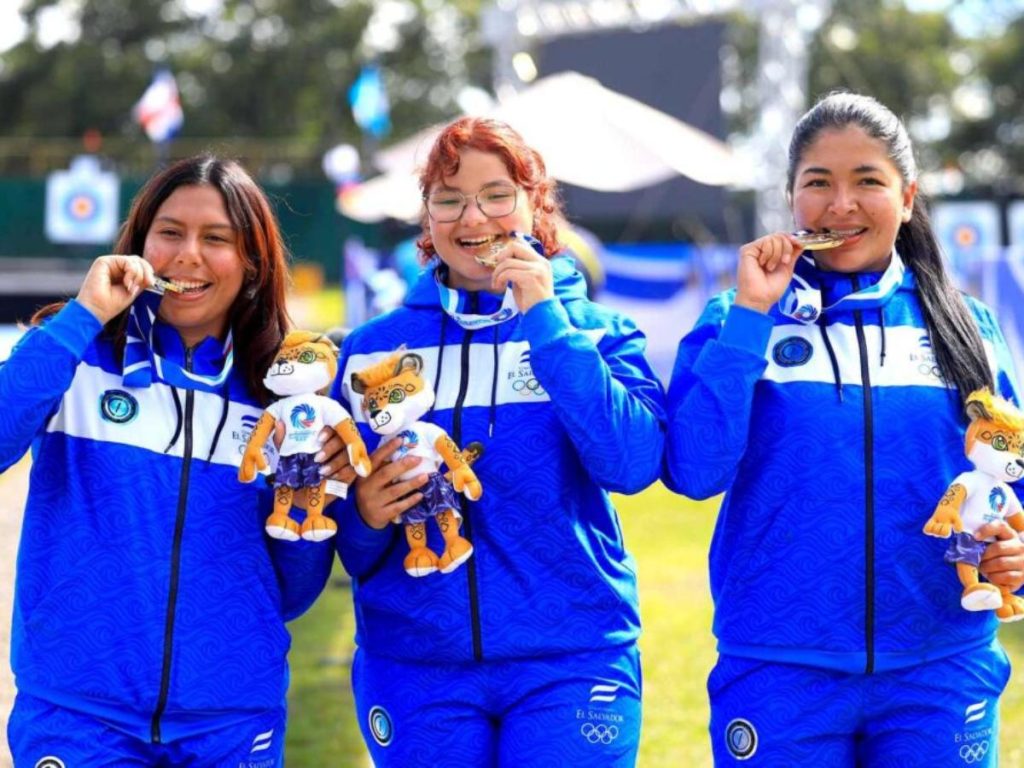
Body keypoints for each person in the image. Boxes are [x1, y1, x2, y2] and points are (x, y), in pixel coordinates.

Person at [662, 91, 1024, 766]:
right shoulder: (733, 318)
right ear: (791, 198)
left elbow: (1011, 476)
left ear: (908, 197)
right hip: (777, 666)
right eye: (818, 183)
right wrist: (749, 317)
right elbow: (693, 470)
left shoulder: (968, 326)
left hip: (940, 666)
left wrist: (1015, 557)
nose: (842, 205)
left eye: (868, 182)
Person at [319, 116, 665, 766]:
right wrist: (364, 513)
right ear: (426, 219)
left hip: (571, 657)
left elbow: (634, 463)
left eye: (497, 194)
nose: (473, 217)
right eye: (448, 200)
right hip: (416, 663)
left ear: (536, 202)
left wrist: (548, 322)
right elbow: (356, 550)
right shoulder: (374, 348)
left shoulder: (596, 331)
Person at [0, 155, 335, 767]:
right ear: (139, 242)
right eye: (170, 232)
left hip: (231, 721)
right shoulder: (72, 355)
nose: (188, 255)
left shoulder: (285, 401)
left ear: (253, 262)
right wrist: (82, 318)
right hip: (77, 715)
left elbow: (295, 583)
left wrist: (312, 496)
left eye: (217, 239)